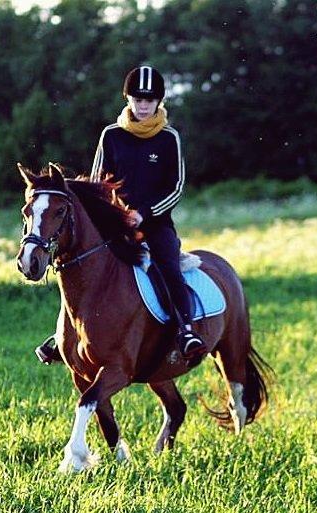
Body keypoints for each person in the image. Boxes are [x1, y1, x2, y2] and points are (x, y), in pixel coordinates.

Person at [35, 65, 206, 364]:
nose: (143, 105)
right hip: (114, 223)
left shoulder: (169, 138)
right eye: (138, 99)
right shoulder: (111, 135)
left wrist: (144, 214)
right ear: (128, 99)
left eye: (149, 100)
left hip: (155, 223)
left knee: (168, 264)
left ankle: (186, 330)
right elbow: (97, 182)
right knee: (83, 268)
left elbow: (176, 187)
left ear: (159, 102)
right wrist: (115, 214)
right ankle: (64, 334)